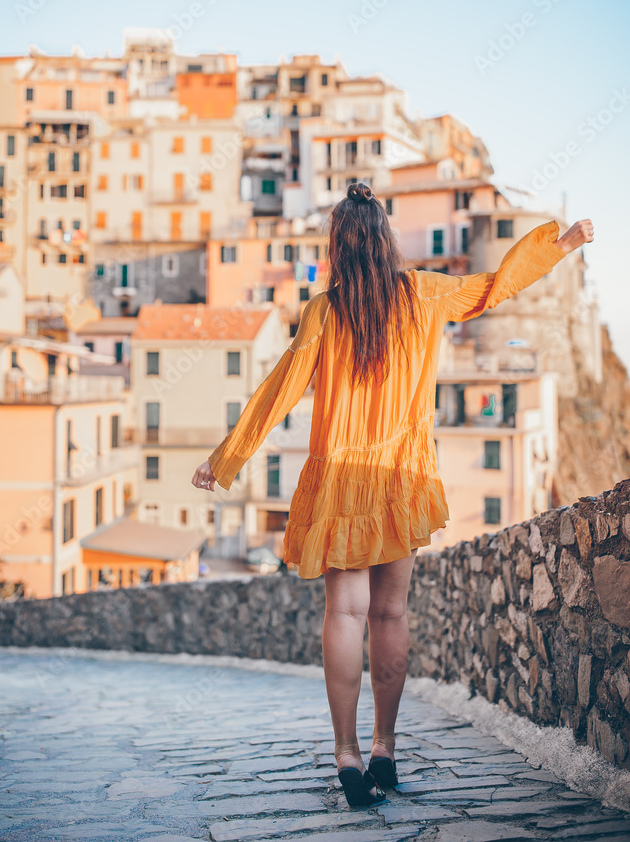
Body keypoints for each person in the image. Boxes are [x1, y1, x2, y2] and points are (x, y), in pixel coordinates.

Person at [192, 184, 593, 807]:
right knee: (390, 616)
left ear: (338, 247)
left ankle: (347, 753)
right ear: (385, 241)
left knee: (345, 616)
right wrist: (558, 245)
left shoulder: (325, 312)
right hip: (400, 478)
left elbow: (281, 387)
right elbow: (494, 287)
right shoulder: (425, 293)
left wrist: (229, 457)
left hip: (343, 482)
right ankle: (385, 746)